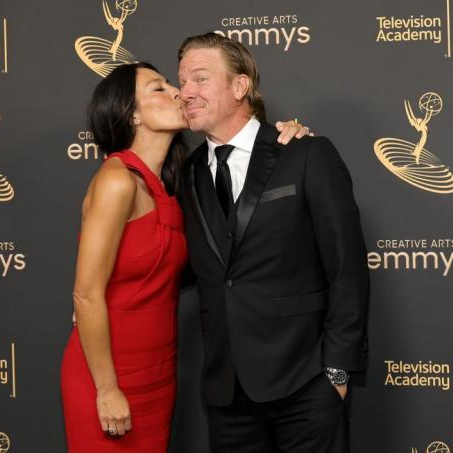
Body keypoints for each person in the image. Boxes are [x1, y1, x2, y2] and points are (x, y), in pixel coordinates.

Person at [60, 62, 309, 452]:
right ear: (133, 113)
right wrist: (107, 389)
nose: (177, 92)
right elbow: (87, 294)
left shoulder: (177, 185)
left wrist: (283, 136)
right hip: (108, 374)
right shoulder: (116, 179)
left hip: (158, 373)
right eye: (158, 88)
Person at [178, 33, 370, 452]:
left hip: (304, 382)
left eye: (200, 79)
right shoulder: (188, 173)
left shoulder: (303, 153)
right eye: (182, 82)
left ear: (240, 86)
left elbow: (347, 268)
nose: (185, 92)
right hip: (226, 393)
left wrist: (336, 373)